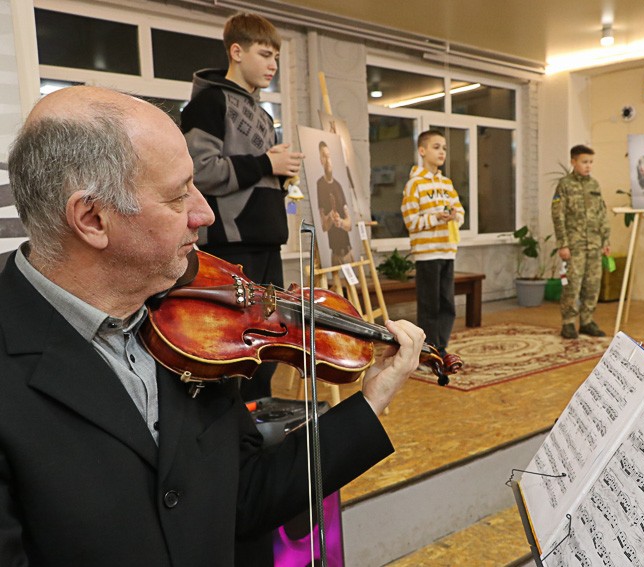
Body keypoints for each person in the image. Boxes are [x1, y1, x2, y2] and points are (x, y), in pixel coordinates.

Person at [0, 85, 425, 567]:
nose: (203, 213)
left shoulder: (189, 327)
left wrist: (371, 401)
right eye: (179, 195)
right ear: (93, 218)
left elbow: (244, 497)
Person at [181, 12, 304, 402]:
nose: (273, 65)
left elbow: (250, 176)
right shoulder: (207, 103)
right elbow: (200, 171)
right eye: (265, 54)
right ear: (236, 51)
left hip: (267, 244)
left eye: (277, 59)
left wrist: (279, 178)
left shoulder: (264, 114)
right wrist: (268, 164)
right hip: (231, 249)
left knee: (266, 344)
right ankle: (235, 431)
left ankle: (257, 426)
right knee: (236, 348)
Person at [401, 130, 465, 356]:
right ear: (422, 150)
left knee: (447, 303)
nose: (442, 152)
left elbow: (460, 213)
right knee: (430, 306)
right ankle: (428, 351)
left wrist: (454, 216)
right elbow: (411, 221)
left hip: (447, 251)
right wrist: (436, 218)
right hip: (427, 254)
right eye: (436, 147)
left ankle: (441, 347)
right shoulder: (414, 185)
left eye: (444, 148)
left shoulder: (447, 183)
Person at [551, 144, 611, 339]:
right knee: (573, 284)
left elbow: (602, 213)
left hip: (594, 243)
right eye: (584, 162)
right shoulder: (565, 185)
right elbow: (557, 215)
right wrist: (563, 244)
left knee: (592, 284)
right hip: (574, 245)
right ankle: (568, 322)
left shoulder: (594, 185)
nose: (588, 166)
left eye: (591, 162)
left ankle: (587, 320)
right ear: (573, 162)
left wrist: (605, 240)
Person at [316, 140, 355, 264]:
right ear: (320, 159)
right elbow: (323, 226)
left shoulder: (338, 186)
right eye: (324, 156)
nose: (327, 160)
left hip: (349, 253)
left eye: (329, 155)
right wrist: (331, 219)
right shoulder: (319, 185)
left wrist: (341, 222)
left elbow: (349, 225)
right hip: (335, 255)